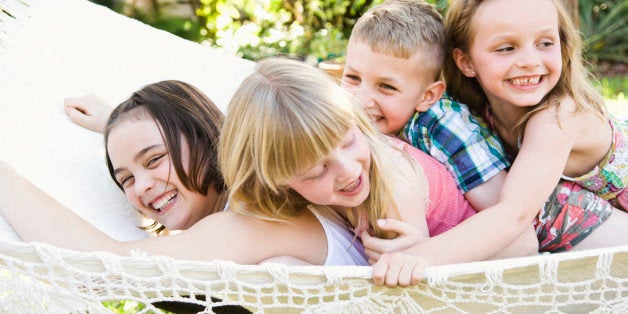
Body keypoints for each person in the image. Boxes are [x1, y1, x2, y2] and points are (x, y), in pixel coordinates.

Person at [366, 0, 628, 287]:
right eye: (506, 48)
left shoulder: (559, 116)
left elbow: (513, 215)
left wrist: (421, 255)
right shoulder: (477, 112)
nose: (530, 60)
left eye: (545, 43)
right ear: (465, 62)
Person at [0, 79, 369, 268]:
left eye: (154, 159)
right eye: (125, 178)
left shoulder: (244, 223)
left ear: (207, 142)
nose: (141, 187)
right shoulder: (254, 203)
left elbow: (104, 267)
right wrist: (116, 125)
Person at [340, 0, 537, 257]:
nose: (361, 100)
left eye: (386, 87)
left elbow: (513, 227)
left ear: (427, 96)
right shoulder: (347, 111)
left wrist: (425, 251)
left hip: (543, 232)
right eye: (353, 78)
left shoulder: (444, 127)